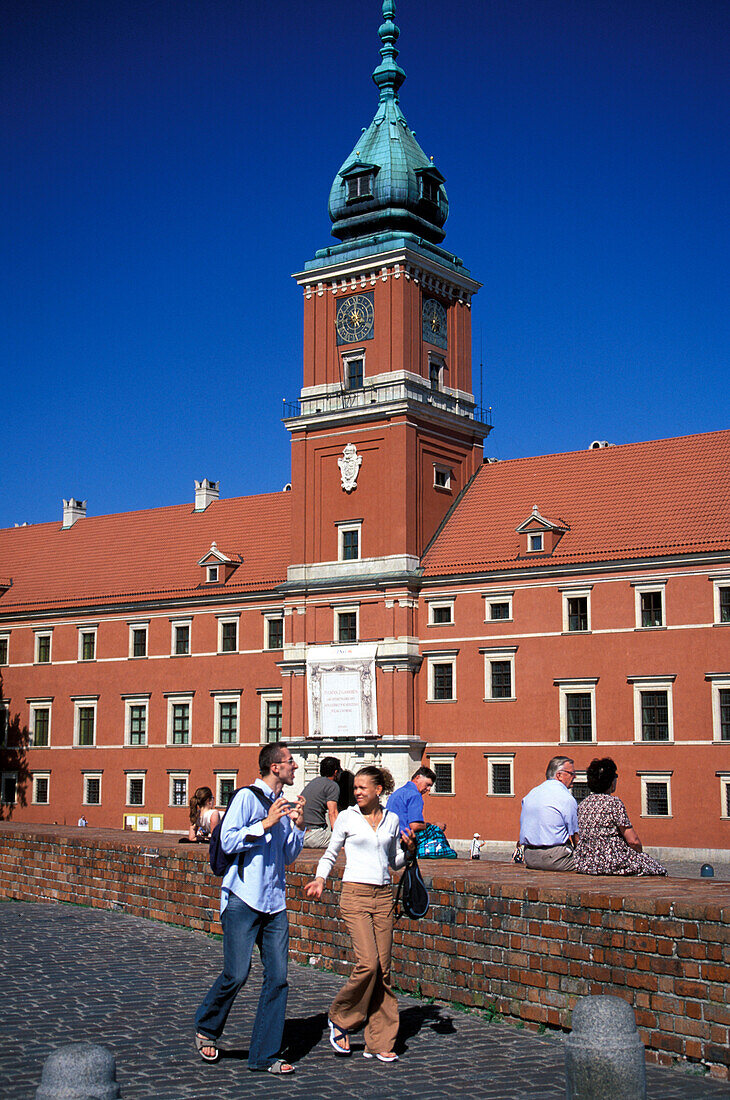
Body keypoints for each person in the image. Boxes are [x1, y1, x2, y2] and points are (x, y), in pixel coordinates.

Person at [194, 742, 305, 1075]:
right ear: (274, 767)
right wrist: (266, 824)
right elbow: (227, 840)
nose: (294, 767)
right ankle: (207, 1027)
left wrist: (297, 826)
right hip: (243, 897)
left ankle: (265, 1055)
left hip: (274, 902)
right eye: (290, 762)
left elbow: (286, 856)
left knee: (279, 978)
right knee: (237, 973)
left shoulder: (282, 804)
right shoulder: (245, 797)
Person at [304, 765, 414, 1064]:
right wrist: (320, 879)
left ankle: (378, 1042)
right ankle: (341, 1018)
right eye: (355, 788)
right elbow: (330, 852)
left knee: (385, 971)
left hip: (383, 896)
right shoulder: (347, 817)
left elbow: (392, 862)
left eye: (363, 788)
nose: (357, 792)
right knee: (368, 964)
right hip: (354, 894)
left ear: (379, 790)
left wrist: (409, 851)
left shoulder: (392, 819)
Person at [574, 758, 667, 876]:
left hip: (586, 862)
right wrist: (640, 854)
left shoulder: (583, 804)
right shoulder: (613, 803)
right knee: (658, 870)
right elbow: (633, 841)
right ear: (611, 781)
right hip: (611, 861)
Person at [518, 756, 578, 871]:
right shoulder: (566, 798)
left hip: (530, 857)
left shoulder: (531, 793)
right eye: (572, 773)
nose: (574, 777)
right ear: (559, 775)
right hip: (554, 857)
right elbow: (575, 834)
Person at [301, 756, 341, 848]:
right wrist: (339, 837)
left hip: (301, 835)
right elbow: (333, 813)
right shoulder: (332, 785)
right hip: (315, 835)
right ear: (336, 772)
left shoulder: (313, 782)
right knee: (351, 840)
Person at [386, 766, 436, 836]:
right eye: (427, 785)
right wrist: (434, 825)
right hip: (404, 839)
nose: (428, 789)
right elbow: (415, 826)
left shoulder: (398, 792)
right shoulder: (415, 795)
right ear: (417, 778)